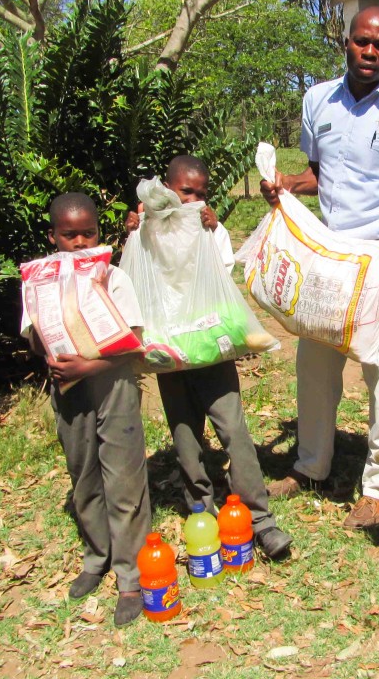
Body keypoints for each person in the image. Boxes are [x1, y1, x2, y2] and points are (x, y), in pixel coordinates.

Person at [261, 5, 379, 529]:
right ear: (346, 42)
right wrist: (287, 185)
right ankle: (311, 464)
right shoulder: (318, 101)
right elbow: (318, 173)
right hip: (328, 256)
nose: (370, 51)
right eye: (363, 41)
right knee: (314, 365)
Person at [127, 155, 293, 560]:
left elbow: (221, 270)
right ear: (166, 189)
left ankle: (260, 520)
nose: (195, 200)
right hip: (169, 353)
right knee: (185, 437)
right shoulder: (145, 228)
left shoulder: (207, 228)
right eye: (187, 191)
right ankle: (199, 508)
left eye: (201, 193)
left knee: (233, 430)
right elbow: (134, 277)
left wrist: (214, 228)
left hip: (211, 349)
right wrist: (133, 231)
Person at [21, 192, 151, 628]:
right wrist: (53, 347)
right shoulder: (37, 281)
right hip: (68, 392)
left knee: (124, 478)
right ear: (53, 236)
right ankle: (97, 556)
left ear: (100, 232)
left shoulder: (112, 279)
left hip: (114, 388)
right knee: (84, 475)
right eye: (68, 235)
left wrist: (88, 363)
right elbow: (35, 335)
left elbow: (132, 342)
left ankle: (130, 576)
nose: (79, 243)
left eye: (88, 233)